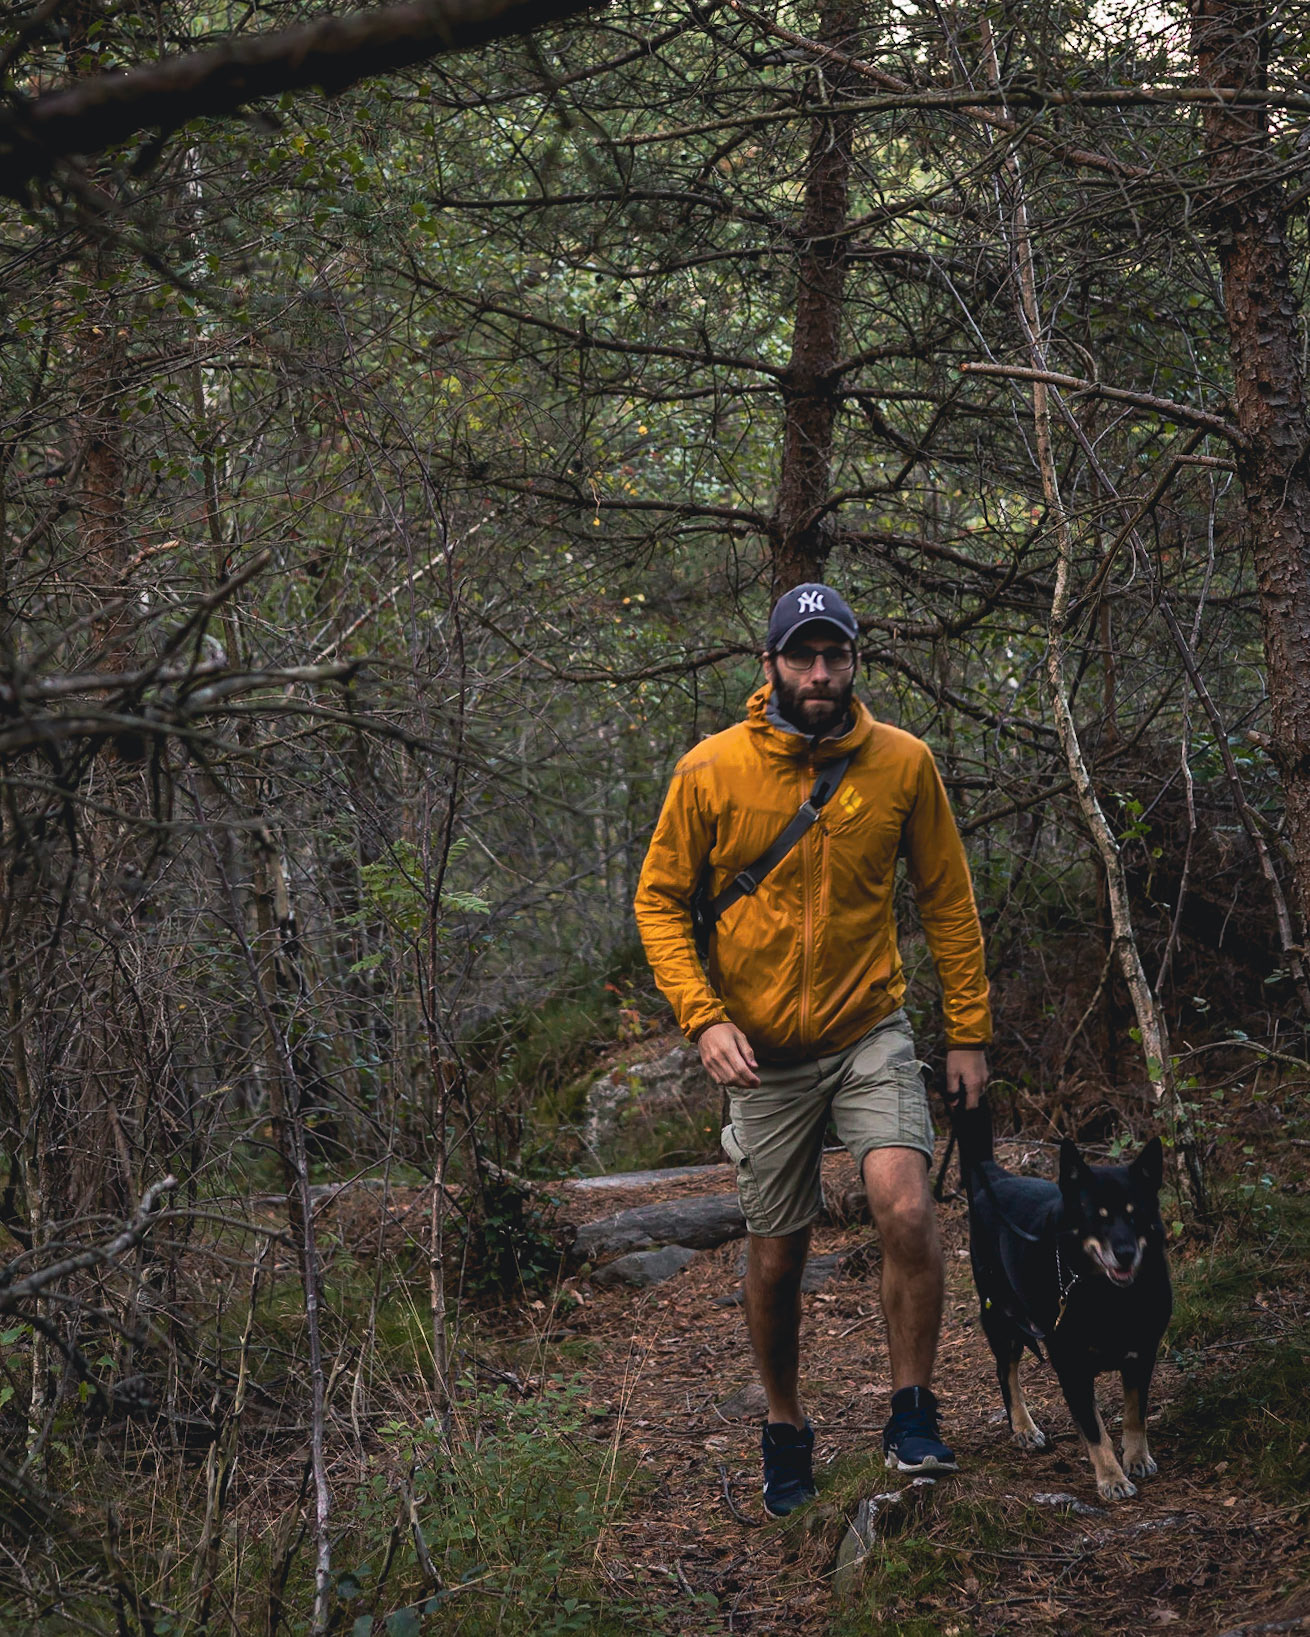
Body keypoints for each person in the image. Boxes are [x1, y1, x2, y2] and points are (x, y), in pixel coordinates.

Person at [633, 582, 991, 1517]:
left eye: (835, 655)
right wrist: (703, 1017)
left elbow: (948, 900)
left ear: (855, 662)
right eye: (803, 656)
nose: (821, 672)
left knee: (904, 1204)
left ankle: (913, 1412)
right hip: (760, 1052)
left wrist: (968, 1031)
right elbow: (659, 901)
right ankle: (785, 1426)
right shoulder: (710, 769)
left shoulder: (903, 763)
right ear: (771, 666)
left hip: (868, 1027)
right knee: (778, 1255)